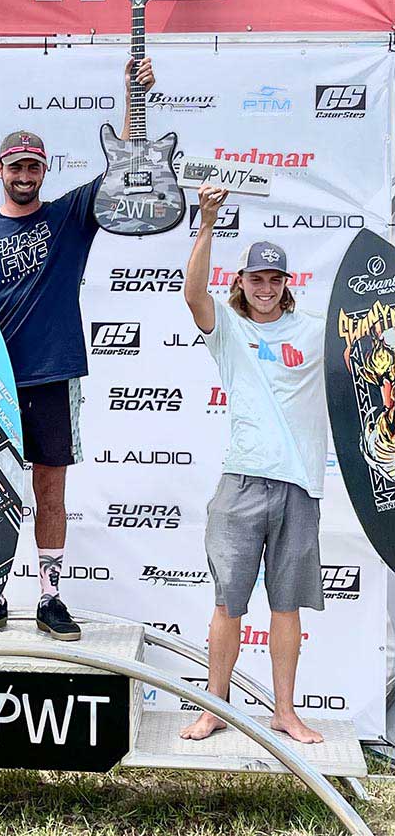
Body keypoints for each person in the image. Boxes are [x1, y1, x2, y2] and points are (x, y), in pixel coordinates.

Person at [0, 57, 155, 641]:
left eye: (34, 165)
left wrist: (133, 91)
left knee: (49, 487)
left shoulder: (70, 216)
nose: (25, 173)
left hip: (52, 376)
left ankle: (51, 597)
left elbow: (124, 161)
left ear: (43, 170)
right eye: (16, 165)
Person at [181, 184, 326, 744]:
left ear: (287, 284)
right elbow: (193, 295)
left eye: (274, 278)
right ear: (240, 282)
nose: (265, 288)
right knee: (227, 604)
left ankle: (284, 713)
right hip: (240, 483)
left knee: (286, 608)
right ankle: (214, 707)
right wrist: (208, 222)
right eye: (256, 278)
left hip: (299, 487)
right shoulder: (230, 331)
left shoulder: (315, 331)